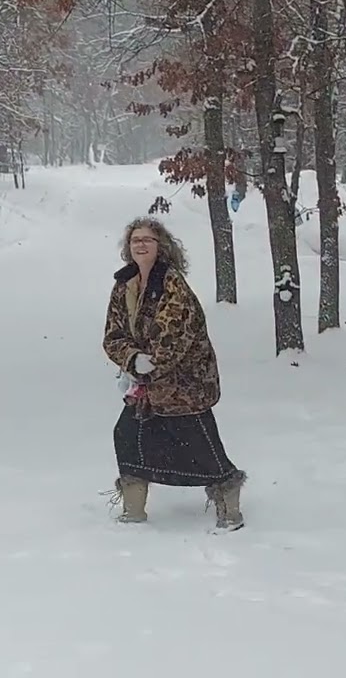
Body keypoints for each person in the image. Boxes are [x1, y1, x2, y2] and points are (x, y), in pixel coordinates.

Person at [101, 216, 246, 531]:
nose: (140, 244)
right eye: (135, 239)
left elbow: (173, 333)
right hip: (146, 383)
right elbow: (113, 335)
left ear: (160, 246)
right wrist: (132, 360)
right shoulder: (124, 284)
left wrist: (147, 365)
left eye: (147, 239)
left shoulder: (172, 283)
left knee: (201, 445)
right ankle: (133, 510)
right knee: (128, 437)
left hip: (185, 382)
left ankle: (229, 505)